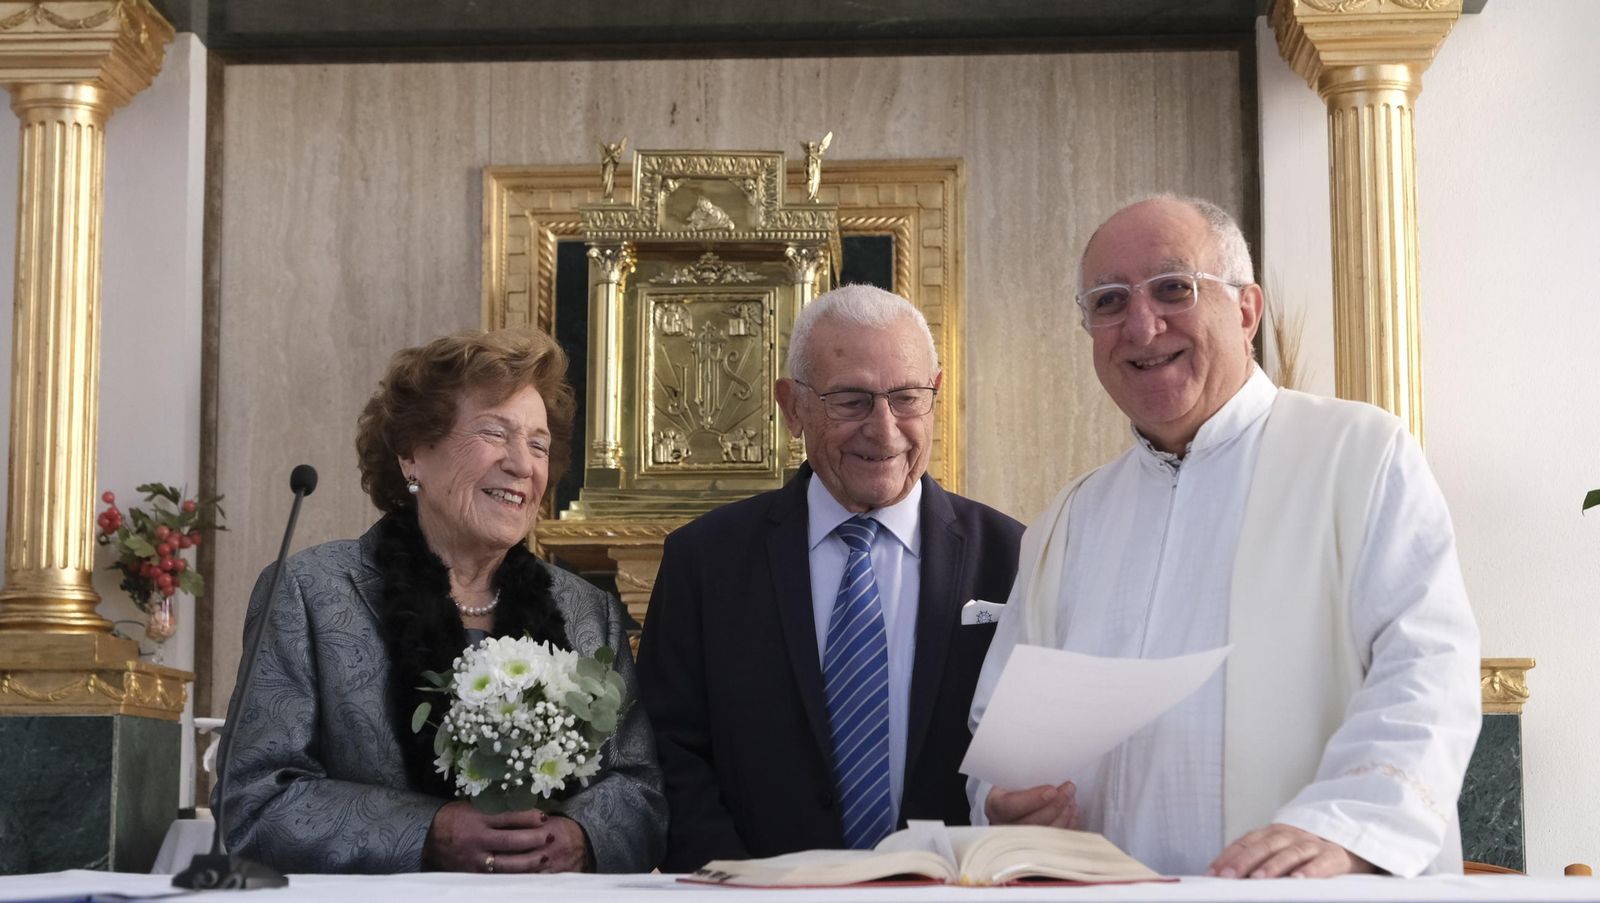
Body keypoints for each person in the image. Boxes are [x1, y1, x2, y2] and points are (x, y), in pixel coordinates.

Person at [968, 196, 1481, 879]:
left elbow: (1427, 667)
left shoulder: (1359, 455)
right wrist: (1004, 802)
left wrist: (1348, 827)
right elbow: (1002, 724)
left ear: (1246, 310)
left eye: (1174, 288)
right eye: (1109, 300)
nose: (1142, 326)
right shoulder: (1072, 518)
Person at [217, 327, 666, 874]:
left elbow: (640, 788)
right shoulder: (311, 592)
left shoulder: (587, 612)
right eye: (493, 433)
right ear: (412, 453)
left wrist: (579, 837)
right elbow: (254, 800)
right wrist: (429, 832)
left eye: (539, 444)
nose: (523, 466)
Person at [637, 284, 1024, 872]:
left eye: (907, 398)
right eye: (851, 401)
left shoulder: (1014, 556)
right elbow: (670, 748)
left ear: (937, 397)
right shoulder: (704, 559)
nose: (885, 430)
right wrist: (740, 884)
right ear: (792, 407)